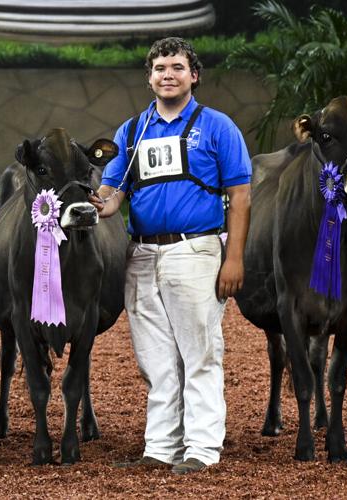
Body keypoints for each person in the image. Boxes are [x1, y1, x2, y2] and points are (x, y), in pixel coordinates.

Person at [90, 37, 251, 476]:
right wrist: (95, 203)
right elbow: (113, 191)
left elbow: (240, 196)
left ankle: (202, 447)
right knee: (155, 358)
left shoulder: (218, 126)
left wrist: (233, 258)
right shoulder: (132, 130)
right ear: (149, 77)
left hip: (195, 249)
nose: (168, 74)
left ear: (193, 75)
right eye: (160, 68)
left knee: (199, 352)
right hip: (141, 253)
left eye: (177, 67)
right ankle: (160, 447)